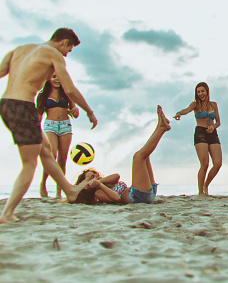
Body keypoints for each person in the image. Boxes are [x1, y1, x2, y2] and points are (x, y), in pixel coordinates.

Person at [0, 28, 98, 224]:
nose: (66, 54)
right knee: (29, 164)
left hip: (6, 105)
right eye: (68, 50)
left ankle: (69, 191)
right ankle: (7, 213)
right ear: (64, 42)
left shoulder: (20, 50)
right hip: (23, 106)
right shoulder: (54, 54)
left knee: (45, 150)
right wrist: (89, 111)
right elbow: (69, 88)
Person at [73, 105, 171, 205]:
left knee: (145, 156)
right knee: (138, 157)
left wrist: (100, 182)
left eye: (94, 174)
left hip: (145, 193)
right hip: (137, 196)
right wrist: (99, 186)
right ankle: (161, 129)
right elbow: (117, 199)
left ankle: (159, 126)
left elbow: (116, 176)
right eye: (91, 177)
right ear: (86, 186)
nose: (96, 176)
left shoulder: (107, 182)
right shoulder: (98, 193)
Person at [173, 82, 222, 197]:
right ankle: (200, 192)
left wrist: (213, 127)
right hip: (200, 134)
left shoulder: (214, 104)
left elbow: (218, 122)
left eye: (202, 91)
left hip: (213, 134)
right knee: (204, 164)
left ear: (207, 91)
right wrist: (179, 113)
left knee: (218, 163)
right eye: (198, 92)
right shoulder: (195, 104)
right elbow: (186, 110)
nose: (200, 93)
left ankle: (206, 185)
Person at [37, 74, 80, 198]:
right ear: (48, 79)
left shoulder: (67, 93)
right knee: (52, 155)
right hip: (50, 125)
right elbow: (39, 115)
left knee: (62, 159)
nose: (57, 79)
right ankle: (43, 183)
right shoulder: (42, 95)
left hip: (65, 126)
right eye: (54, 76)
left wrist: (75, 110)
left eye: (59, 77)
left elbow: (74, 113)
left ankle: (59, 192)